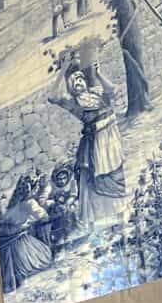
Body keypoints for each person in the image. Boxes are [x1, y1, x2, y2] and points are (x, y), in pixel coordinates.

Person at [49, 60, 126, 228]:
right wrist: (61, 72)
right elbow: (53, 97)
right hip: (96, 142)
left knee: (116, 175)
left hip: (112, 139)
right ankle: (96, 220)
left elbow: (114, 91)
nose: (78, 83)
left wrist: (98, 74)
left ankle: (119, 212)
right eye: (74, 82)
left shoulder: (97, 93)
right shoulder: (74, 103)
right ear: (70, 88)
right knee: (95, 179)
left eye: (80, 79)